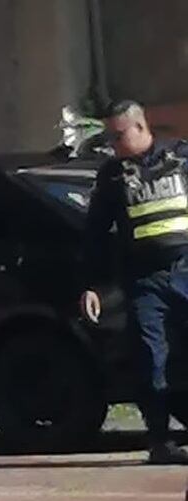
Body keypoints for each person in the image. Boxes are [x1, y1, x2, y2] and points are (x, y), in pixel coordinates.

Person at [80, 100, 188, 465]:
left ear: (141, 127)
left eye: (118, 134)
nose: (112, 142)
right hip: (145, 281)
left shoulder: (181, 159)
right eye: (108, 135)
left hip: (187, 268)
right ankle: (160, 441)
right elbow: (95, 233)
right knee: (149, 358)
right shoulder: (112, 176)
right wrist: (94, 283)